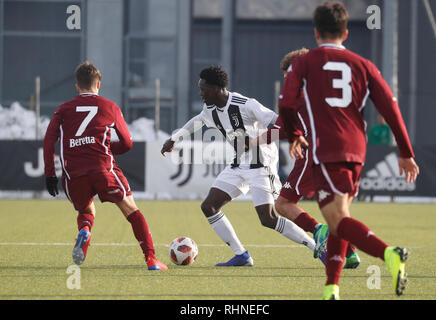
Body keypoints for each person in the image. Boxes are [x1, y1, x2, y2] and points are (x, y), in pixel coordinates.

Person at [278, 1, 419, 299]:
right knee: (338, 218)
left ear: (316, 33)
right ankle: (331, 288)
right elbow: (390, 108)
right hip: (357, 148)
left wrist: (293, 134)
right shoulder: (363, 64)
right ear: (346, 32)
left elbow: (287, 103)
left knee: (338, 220)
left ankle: (389, 254)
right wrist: (405, 152)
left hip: (327, 149)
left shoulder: (304, 62)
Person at [161, 65, 325, 266]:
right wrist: (174, 138)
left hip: (262, 164)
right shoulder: (209, 109)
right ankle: (242, 255)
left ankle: (316, 246)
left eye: (204, 89)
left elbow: (279, 124)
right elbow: (198, 121)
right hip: (239, 163)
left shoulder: (246, 104)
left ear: (217, 88)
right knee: (209, 206)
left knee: (268, 218)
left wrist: (274, 140)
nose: (201, 93)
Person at [43, 61, 167, 271]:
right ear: (98, 84)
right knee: (131, 210)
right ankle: (151, 259)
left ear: (77, 86)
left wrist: (49, 175)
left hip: (74, 174)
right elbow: (127, 143)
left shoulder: (63, 109)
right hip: (103, 169)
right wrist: (106, 145)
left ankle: (85, 231)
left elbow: (48, 141)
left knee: (86, 209)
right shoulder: (110, 107)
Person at [272, 48, 360, 269]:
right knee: (335, 208)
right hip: (341, 153)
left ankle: (317, 230)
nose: (286, 82)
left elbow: (282, 129)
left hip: (313, 155)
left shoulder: (297, 95)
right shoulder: (323, 90)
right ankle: (348, 253)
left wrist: (253, 140)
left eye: (287, 76)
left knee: (283, 204)